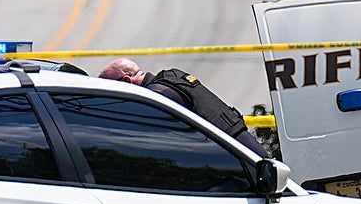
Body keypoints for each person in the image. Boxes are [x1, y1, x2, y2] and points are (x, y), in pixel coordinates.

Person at [100, 57, 270, 156]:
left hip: (234, 155)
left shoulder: (156, 98)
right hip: (241, 141)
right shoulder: (172, 76)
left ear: (127, 81)